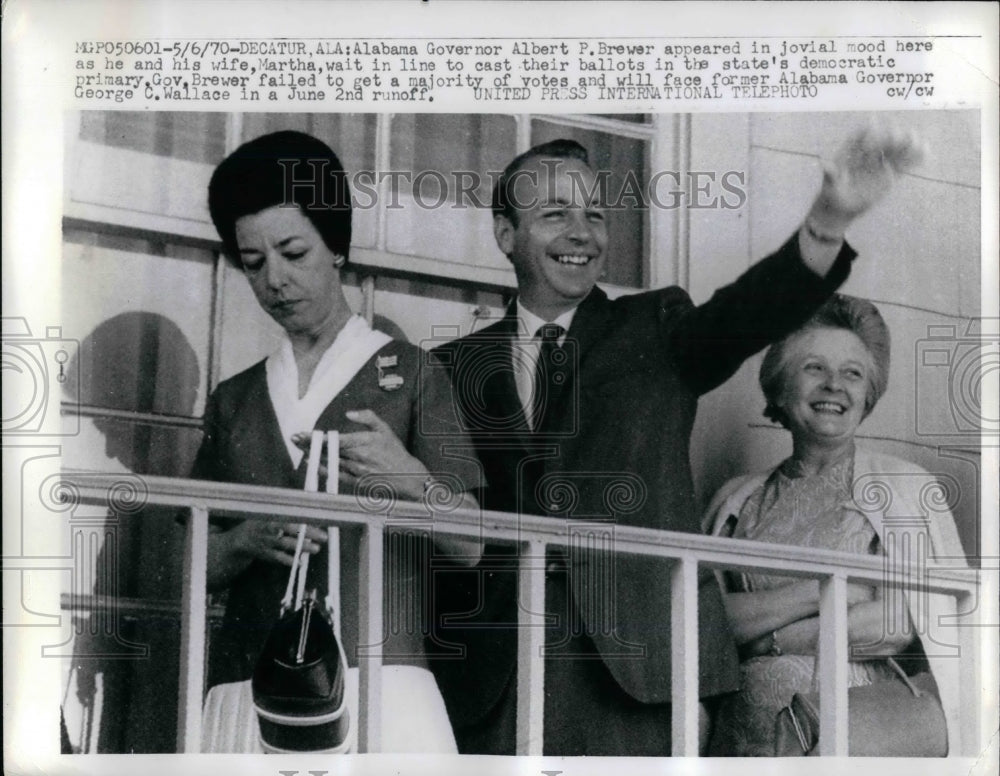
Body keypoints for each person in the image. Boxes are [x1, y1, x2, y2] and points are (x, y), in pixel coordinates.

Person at [427, 127, 924, 755]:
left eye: (595, 215)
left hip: (642, 677)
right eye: (555, 214)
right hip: (493, 674)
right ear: (506, 235)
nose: (582, 232)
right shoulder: (446, 369)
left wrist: (827, 222)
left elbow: (745, 314)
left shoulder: (655, 328)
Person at [190, 130, 481, 751]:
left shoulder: (412, 374)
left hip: (382, 683)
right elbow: (190, 565)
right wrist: (246, 539)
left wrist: (407, 478)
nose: (275, 279)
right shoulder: (234, 399)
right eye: (253, 262)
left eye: (293, 252)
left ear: (337, 246)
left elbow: (472, 543)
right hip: (248, 689)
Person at [703, 294, 965, 756]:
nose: (833, 386)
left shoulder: (906, 487)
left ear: (868, 395)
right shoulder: (738, 499)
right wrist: (825, 590)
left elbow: (898, 622)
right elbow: (707, 619)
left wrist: (764, 635)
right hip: (743, 730)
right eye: (813, 368)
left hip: (853, 728)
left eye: (852, 373)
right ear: (781, 388)